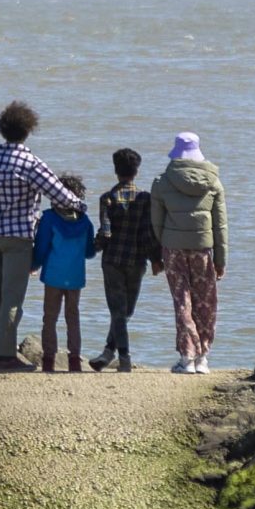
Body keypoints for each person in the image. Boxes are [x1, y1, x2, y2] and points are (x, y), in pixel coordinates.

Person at [0, 102, 76, 373]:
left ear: (2, 128)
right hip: (18, 237)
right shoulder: (29, 162)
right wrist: (80, 205)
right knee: (12, 297)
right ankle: (5, 356)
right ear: (28, 130)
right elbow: (59, 193)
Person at [150, 131, 227, 373]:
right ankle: (203, 357)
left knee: (182, 302)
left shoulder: (162, 182)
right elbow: (221, 226)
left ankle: (187, 357)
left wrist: (160, 251)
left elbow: (156, 223)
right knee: (205, 302)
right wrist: (221, 260)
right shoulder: (214, 182)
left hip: (173, 250)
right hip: (203, 250)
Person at [93, 146, 159, 372]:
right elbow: (148, 234)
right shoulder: (145, 198)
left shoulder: (107, 198)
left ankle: (114, 354)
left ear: (115, 170)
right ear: (136, 171)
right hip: (137, 261)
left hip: (112, 261)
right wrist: (156, 258)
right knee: (126, 311)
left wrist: (91, 249)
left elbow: (105, 233)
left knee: (119, 312)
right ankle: (119, 356)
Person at [32, 174, 94, 372]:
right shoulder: (85, 221)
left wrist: (34, 265)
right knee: (72, 317)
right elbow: (90, 252)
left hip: (53, 275)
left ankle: (49, 360)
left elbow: (41, 248)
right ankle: (74, 360)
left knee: (50, 318)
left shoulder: (49, 218)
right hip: (75, 276)